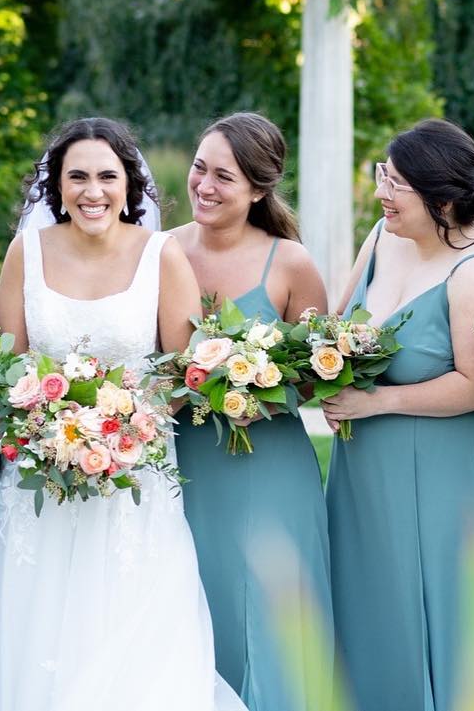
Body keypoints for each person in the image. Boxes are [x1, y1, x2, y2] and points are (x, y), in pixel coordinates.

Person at [0, 117, 245, 711]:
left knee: (131, 627)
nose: (93, 191)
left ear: (130, 184)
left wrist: (123, 429)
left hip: (135, 477)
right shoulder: (27, 253)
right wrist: (47, 427)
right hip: (38, 476)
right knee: (34, 623)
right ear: (56, 187)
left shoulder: (162, 255)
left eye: (106, 177)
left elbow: (182, 373)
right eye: (78, 178)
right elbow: (9, 364)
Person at [323, 118, 474, 711]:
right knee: (373, 605)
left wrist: (376, 401)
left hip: (448, 470)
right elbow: (335, 325)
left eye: (396, 182)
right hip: (367, 468)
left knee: (446, 615)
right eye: (384, 174)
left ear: (444, 199)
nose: (382, 191)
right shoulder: (382, 239)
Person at [169, 112, 333, 711]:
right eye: (199, 168)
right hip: (188, 462)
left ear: (259, 190)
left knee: (273, 615)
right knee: (196, 605)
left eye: (225, 177)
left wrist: (263, 389)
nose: (205, 186)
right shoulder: (163, 252)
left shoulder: (290, 263)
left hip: (272, 467)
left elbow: (319, 376)